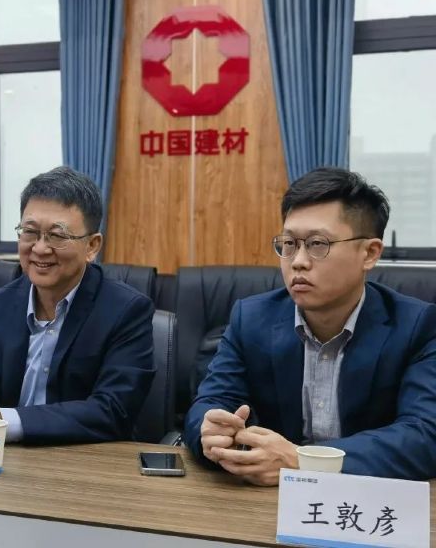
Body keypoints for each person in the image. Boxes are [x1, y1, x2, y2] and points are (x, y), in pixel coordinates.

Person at [185, 167, 436, 483]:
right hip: (266, 497)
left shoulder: (417, 326)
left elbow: (424, 436)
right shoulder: (251, 318)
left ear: (369, 254)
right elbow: (208, 404)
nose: (298, 261)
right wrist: (209, 432)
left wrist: (302, 461)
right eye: (289, 244)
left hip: (366, 496)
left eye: (318, 244)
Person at [0, 166, 155, 444]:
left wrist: (2, 421)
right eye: (29, 232)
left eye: (57, 235)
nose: (40, 249)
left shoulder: (126, 311)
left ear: (92, 246)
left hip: (85, 462)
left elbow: (112, 411)